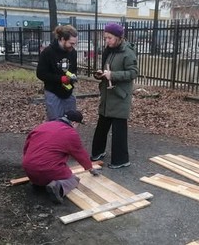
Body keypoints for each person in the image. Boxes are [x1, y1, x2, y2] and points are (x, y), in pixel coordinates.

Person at [22, 110, 100, 204]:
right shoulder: (70, 133)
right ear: (74, 123)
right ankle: (57, 187)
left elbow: (27, 145)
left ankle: (38, 184)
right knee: (73, 179)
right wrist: (90, 168)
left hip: (28, 167)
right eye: (78, 125)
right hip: (47, 169)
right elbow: (80, 154)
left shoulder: (44, 126)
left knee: (42, 173)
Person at [91, 23, 138, 169]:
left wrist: (113, 75)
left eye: (109, 38)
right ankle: (97, 152)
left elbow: (133, 72)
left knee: (119, 131)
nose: (107, 41)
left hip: (119, 96)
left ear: (118, 37)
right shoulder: (110, 50)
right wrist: (101, 74)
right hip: (107, 95)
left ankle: (121, 160)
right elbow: (107, 69)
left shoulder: (127, 52)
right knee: (101, 127)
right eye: (105, 38)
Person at [36, 25, 79, 121]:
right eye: (71, 43)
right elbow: (41, 73)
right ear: (63, 39)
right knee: (56, 123)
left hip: (68, 93)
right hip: (53, 93)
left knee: (70, 121)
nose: (73, 46)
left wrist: (73, 76)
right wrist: (60, 79)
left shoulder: (73, 52)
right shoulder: (48, 52)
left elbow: (73, 69)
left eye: (75, 43)